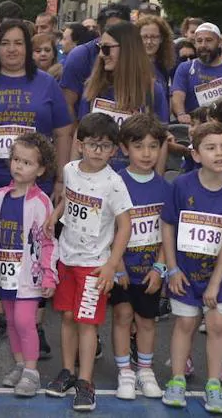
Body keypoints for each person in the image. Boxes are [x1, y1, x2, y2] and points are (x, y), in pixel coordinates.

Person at [0, 18, 72, 350]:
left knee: (35, 248)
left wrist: (60, 177)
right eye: (5, 43)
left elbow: (63, 132)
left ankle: (34, 323)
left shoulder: (46, 84)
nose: (12, 49)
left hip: (35, 186)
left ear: (29, 48)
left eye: (18, 43)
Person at [44, 113, 133, 413]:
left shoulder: (114, 183)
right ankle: (68, 371)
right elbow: (68, 200)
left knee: (86, 323)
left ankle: (85, 381)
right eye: (93, 144)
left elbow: (125, 226)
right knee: (67, 317)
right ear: (80, 145)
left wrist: (111, 264)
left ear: (114, 150)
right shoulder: (69, 170)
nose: (98, 151)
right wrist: (54, 215)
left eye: (105, 146)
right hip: (67, 258)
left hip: (94, 265)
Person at [160, 120, 222, 414]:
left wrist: (215, 283)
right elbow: (167, 226)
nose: (219, 153)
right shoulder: (182, 185)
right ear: (196, 155)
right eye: (210, 148)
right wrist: (172, 268)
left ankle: (213, 383)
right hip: (183, 272)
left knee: (218, 325)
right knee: (184, 323)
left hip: (216, 277)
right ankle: (177, 380)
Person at [0, 132, 59, 399]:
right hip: (6, 274)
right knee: (11, 323)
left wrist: (50, 276)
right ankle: (19, 364)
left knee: (25, 321)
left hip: (30, 276)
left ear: (40, 170)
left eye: (27, 163)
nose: (19, 166)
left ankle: (31, 371)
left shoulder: (41, 203)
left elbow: (49, 243)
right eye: (16, 159)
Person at [111, 114, 171, 401]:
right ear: (124, 149)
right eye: (139, 146)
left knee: (147, 321)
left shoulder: (166, 188)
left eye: (153, 146)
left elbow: (167, 233)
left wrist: (160, 267)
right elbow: (108, 228)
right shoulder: (115, 183)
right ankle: (125, 372)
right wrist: (117, 265)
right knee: (122, 316)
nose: (147, 154)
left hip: (150, 271)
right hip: (122, 268)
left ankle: (145, 370)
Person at [76, 21, 170, 172]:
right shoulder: (93, 87)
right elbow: (79, 133)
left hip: (134, 181)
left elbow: (162, 139)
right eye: (100, 48)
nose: (101, 54)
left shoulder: (152, 91)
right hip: (94, 178)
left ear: (127, 49)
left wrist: (157, 183)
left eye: (106, 48)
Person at [61, 4, 130, 115]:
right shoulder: (80, 56)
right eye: (109, 30)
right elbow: (67, 104)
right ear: (99, 30)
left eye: (119, 30)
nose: (114, 35)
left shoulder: (141, 62)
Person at [171, 23, 222, 124]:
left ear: (220, 42)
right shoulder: (185, 68)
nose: (203, 45)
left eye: (208, 40)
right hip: (194, 127)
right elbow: (177, 95)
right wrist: (181, 114)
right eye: (199, 41)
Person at [138, 15, 177, 89]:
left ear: (161, 39)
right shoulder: (131, 67)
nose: (149, 42)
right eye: (145, 37)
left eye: (154, 37)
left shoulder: (164, 67)